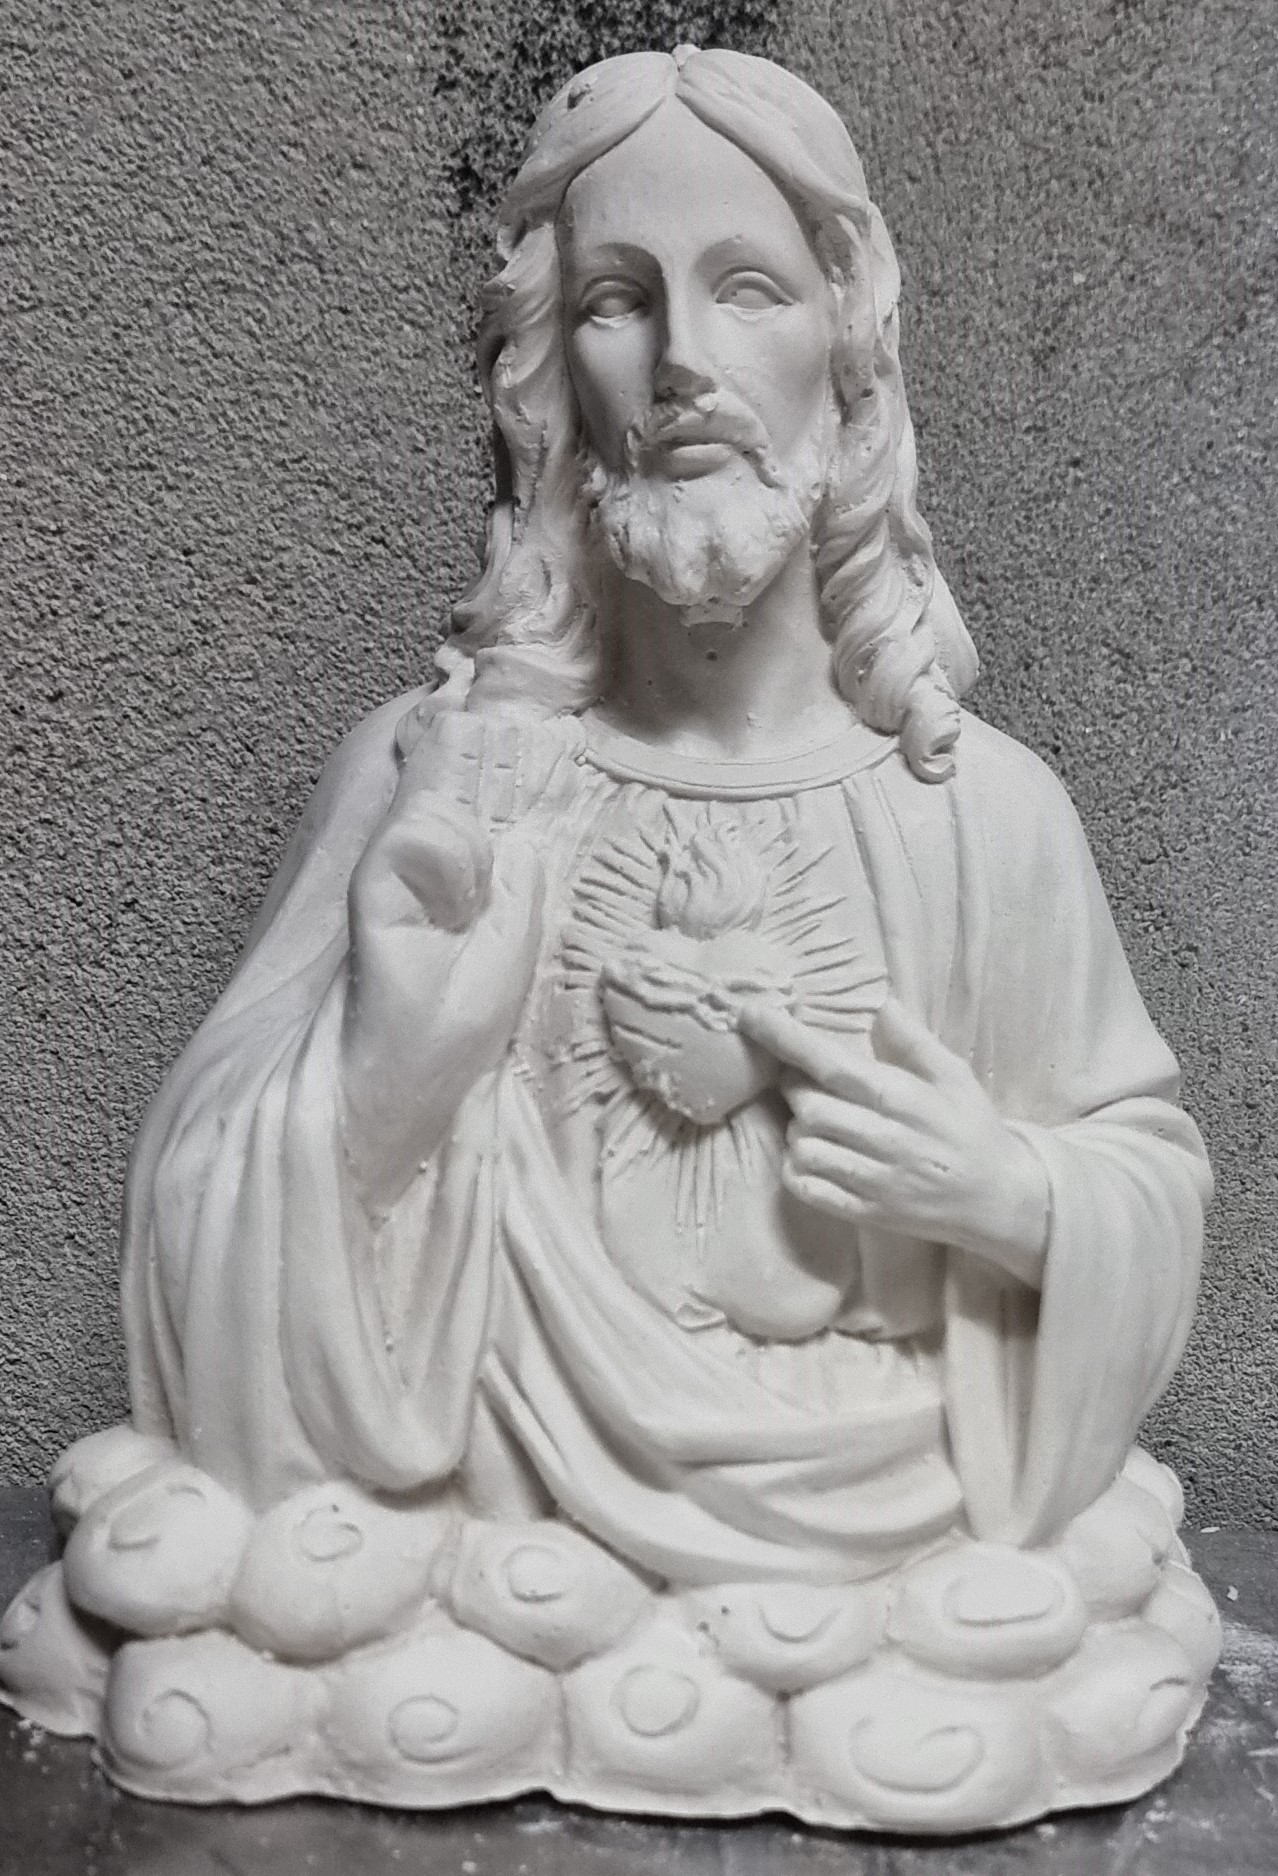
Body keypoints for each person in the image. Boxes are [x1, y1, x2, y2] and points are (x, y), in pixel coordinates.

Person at [1, 48, 1217, 1828]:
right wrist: (397, 1073)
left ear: (851, 348)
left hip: (883, 1503)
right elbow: (209, 1229)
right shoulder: (442, 781)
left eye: (749, 288)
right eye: (617, 301)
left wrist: (1008, 1196)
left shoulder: (978, 814)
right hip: (497, 1522)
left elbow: (1141, 1174)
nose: (685, 361)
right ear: (549, 378)